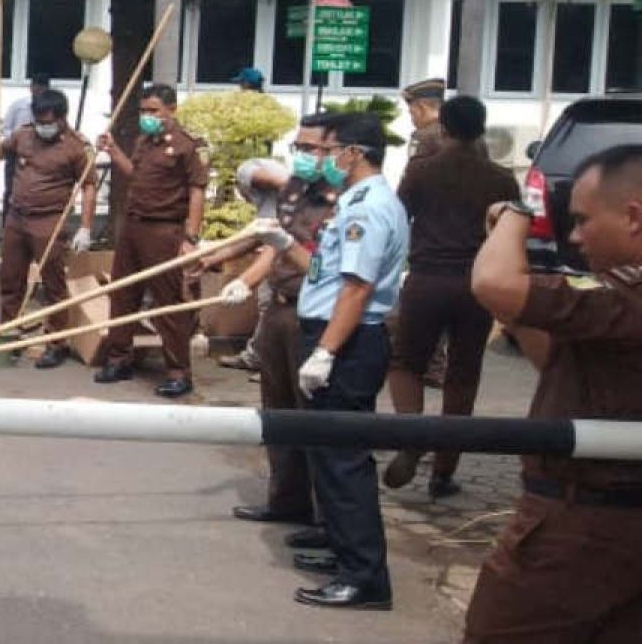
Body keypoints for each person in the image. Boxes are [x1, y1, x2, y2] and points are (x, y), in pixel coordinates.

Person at [464, 144, 642, 642]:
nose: (575, 236)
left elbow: (493, 283)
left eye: (584, 220)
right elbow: (554, 359)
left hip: (582, 522)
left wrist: (520, 210)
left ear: (633, 217)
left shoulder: (624, 294)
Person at [265, 112, 408, 609]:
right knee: (329, 456)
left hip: (347, 343)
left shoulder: (367, 210)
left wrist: (326, 351)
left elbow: (357, 287)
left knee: (343, 460)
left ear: (355, 153)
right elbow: (327, 273)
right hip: (333, 333)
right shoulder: (352, 203)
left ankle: (364, 578)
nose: (322, 161)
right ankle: (344, 548)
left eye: (330, 152)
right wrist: (283, 244)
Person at [201, 114, 340, 526]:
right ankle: (286, 500)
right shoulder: (297, 191)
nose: (304, 156)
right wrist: (224, 264)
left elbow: (298, 251)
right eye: (300, 147)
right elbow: (270, 239)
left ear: (336, 151)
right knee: (276, 411)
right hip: (279, 309)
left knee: (310, 417)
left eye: (313, 148)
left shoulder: (341, 198)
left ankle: (325, 515)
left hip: (311, 312)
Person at [383, 96, 520, 498]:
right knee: (464, 371)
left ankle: (412, 434)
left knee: (406, 363)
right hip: (476, 284)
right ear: (481, 129)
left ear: (442, 128)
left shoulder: (423, 171)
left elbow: (396, 217)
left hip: (426, 278)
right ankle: (444, 470)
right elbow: (508, 236)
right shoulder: (501, 179)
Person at [94, 84, 209, 399]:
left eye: (154, 111)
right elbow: (135, 173)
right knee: (122, 294)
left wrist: (190, 237)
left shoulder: (186, 146)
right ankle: (119, 358)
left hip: (164, 230)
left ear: (171, 110)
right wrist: (113, 151)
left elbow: (197, 190)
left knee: (167, 303)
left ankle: (178, 372)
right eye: (144, 111)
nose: (147, 116)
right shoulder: (144, 140)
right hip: (133, 226)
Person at [0, 88, 96, 368]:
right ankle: (9, 334)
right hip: (17, 216)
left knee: (52, 284)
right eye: (38, 120)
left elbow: (88, 185)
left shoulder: (76, 146)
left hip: (50, 220)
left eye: (47, 121)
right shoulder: (24, 134)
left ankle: (56, 342)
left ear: (61, 118)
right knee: (11, 280)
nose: (42, 126)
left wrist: (85, 227)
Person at [216, 157, 290, 373]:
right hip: (280, 252)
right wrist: (212, 258)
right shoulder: (271, 206)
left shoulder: (248, 172)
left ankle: (270, 364)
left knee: (273, 305)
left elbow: (272, 250)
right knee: (268, 303)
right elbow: (256, 238)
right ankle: (261, 359)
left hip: (291, 266)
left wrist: (245, 281)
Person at [0, 74, 51, 224]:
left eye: (42, 88)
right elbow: (6, 128)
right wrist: (17, 140)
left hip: (40, 154)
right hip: (16, 153)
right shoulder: (19, 106)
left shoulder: (50, 108)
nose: (38, 90)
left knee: (34, 189)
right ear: (31, 88)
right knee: (11, 189)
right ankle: (7, 226)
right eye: (36, 87)